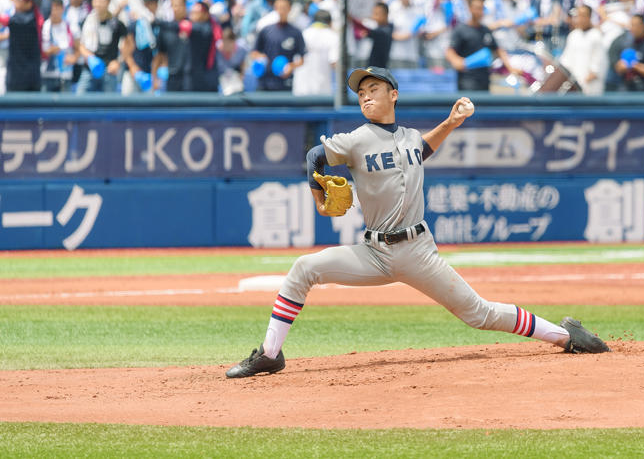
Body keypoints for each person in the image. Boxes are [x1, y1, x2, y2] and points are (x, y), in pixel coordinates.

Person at [225, 66, 610, 379]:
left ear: (393, 95)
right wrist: (320, 202)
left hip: (418, 252)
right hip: (373, 252)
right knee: (304, 268)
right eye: (361, 93)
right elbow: (314, 157)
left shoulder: (409, 137)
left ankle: (566, 336)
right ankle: (270, 354)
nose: (365, 96)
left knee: (479, 314)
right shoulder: (356, 139)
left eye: (373, 89)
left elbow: (421, 150)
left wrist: (451, 123)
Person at [445, 0, 518, 91]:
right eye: (476, 8)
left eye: (481, 8)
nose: (479, 12)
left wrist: (510, 67)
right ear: (470, 8)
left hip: (484, 80)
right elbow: (450, 51)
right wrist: (457, 61)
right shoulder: (461, 30)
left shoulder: (485, 30)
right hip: (467, 80)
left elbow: (498, 50)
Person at [251, 0, 305, 91]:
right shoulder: (266, 30)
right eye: (278, 7)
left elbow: (301, 59)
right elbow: (254, 52)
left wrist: (291, 66)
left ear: (289, 9)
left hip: (285, 82)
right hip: (265, 81)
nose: (281, 11)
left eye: (284, 8)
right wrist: (261, 58)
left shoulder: (296, 32)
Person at [77, 0, 127, 93]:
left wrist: (118, 61)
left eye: (102, 0)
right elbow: (80, 44)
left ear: (108, 2)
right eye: (96, 0)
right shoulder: (86, 21)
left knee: (109, 102)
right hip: (89, 69)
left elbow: (129, 44)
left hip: (109, 70)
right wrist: (90, 58)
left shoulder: (116, 23)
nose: (98, 4)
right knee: (80, 99)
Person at [606, 14, 644, 92]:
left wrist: (634, 66)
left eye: (637, 25)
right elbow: (618, 67)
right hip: (623, 88)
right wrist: (623, 66)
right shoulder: (621, 42)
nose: (633, 29)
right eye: (632, 25)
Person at [558, 4, 604, 95]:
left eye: (583, 16)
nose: (580, 19)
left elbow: (598, 66)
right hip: (574, 88)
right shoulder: (573, 35)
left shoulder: (596, 36)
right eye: (578, 16)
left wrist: (584, 82)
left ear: (589, 17)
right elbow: (565, 61)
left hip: (591, 89)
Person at [4, 0, 42, 92]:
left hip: (31, 78)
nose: (16, 2)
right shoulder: (15, 17)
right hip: (15, 76)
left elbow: (8, 20)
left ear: (29, 2)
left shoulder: (33, 18)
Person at [292, 9, 338, 96]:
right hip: (322, 90)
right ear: (330, 22)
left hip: (300, 89)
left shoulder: (303, 34)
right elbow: (334, 63)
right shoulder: (333, 36)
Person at [41, 0, 76, 92]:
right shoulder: (44, 26)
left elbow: (77, 46)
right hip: (47, 75)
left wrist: (74, 57)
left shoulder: (69, 26)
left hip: (66, 74)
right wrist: (49, 51)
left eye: (57, 8)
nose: (54, 11)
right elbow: (42, 49)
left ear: (62, 8)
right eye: (52, 8)